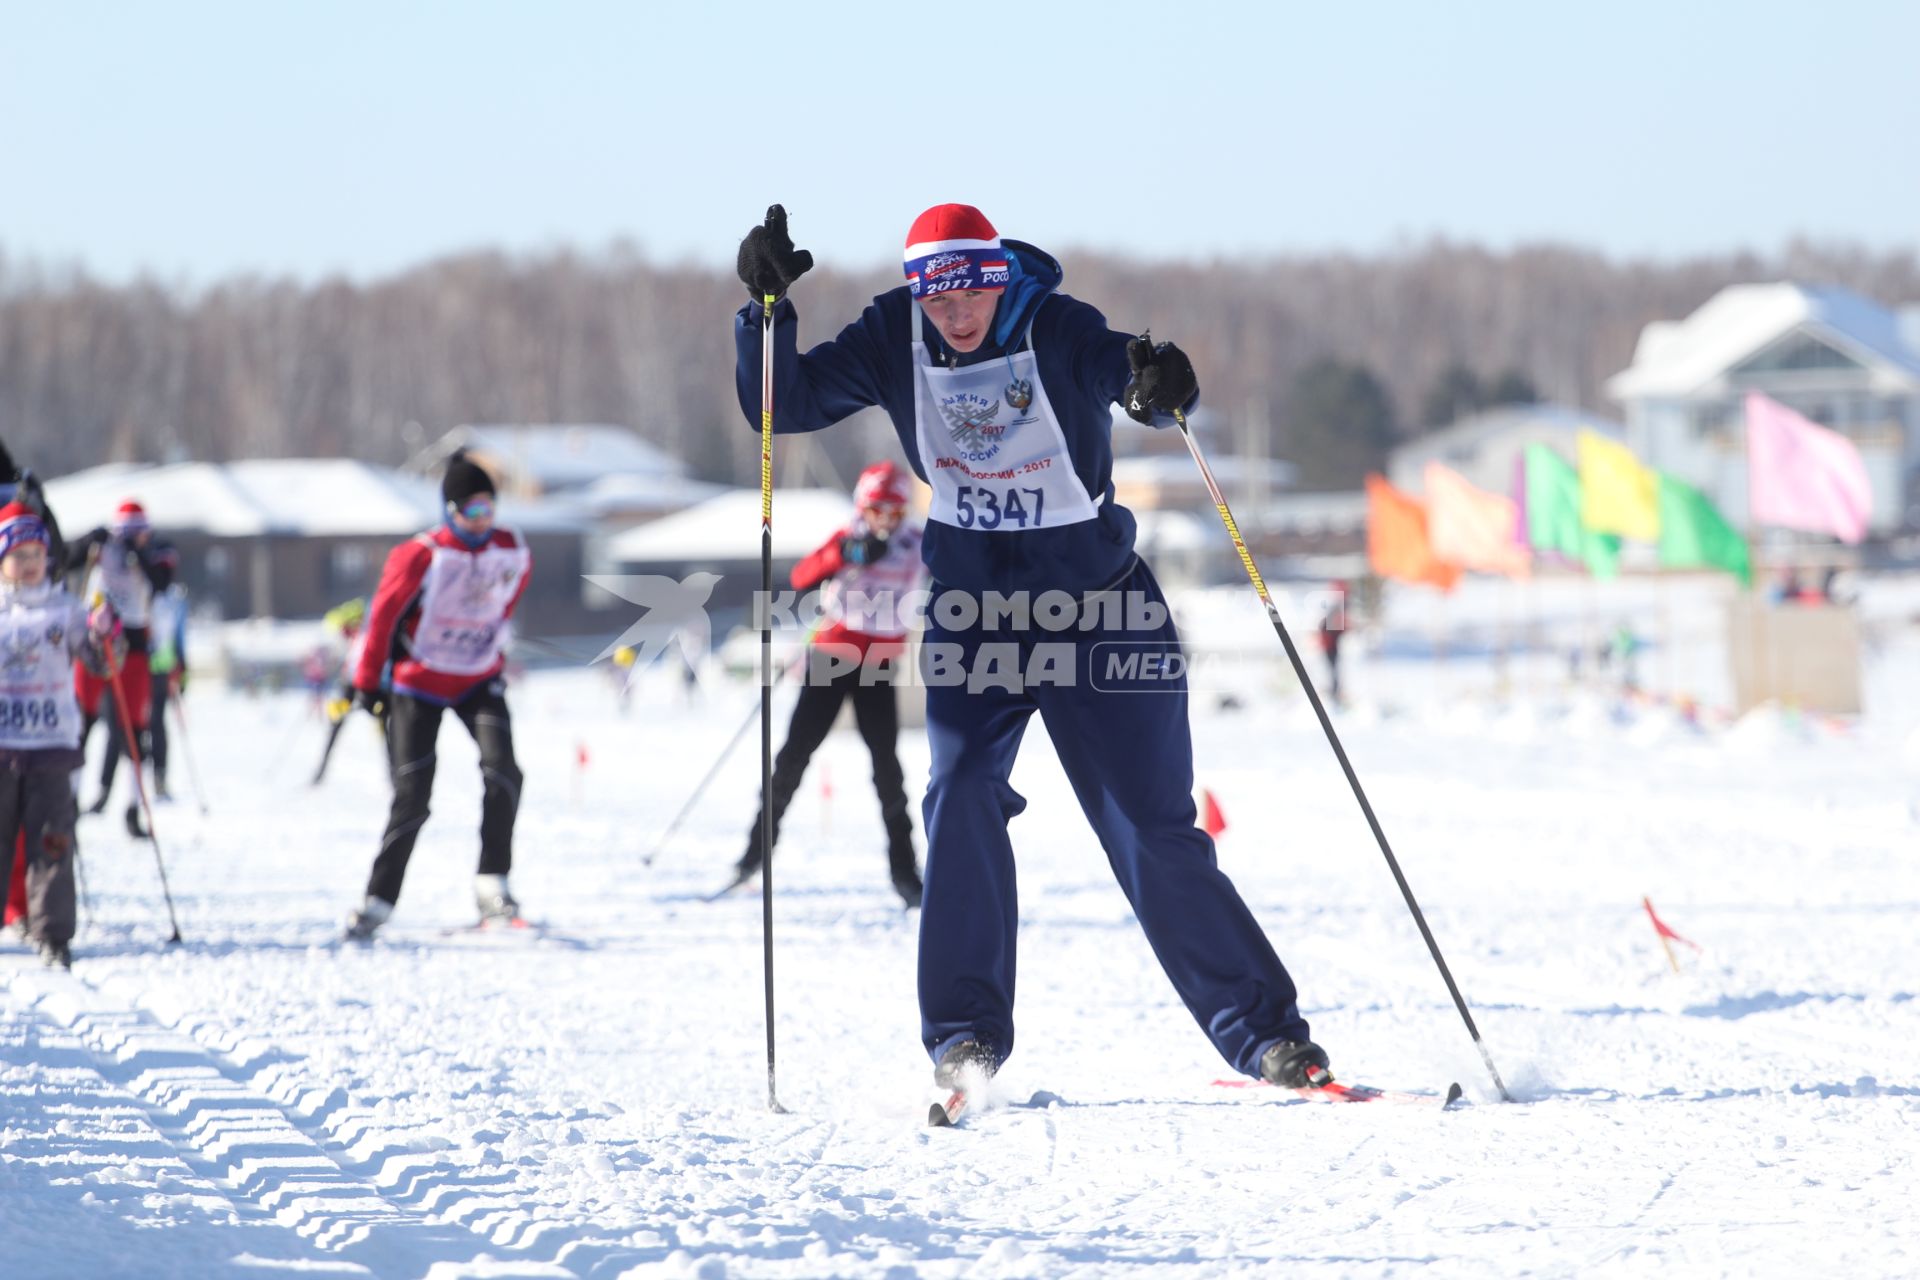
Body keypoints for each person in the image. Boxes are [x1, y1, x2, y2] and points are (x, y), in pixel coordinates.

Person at [731, 203, 1329, 1092]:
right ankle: (965, 1037)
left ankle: (1265, 1035)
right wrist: (766, 317)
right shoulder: (894, 333)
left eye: (968, 292)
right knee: (960, 790)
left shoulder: (1054, 323)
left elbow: (1126, 378)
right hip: (977, 618)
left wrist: (1159, 386)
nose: (955, 315)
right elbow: (783, 406)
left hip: (1098, 612)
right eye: (935, 301)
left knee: (1148, 825)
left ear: (996, 274)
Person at [343, 451, 531, 940]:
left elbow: (510, 597)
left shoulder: (512, 549)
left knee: (504, 772)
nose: (483, 521)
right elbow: (382, 616)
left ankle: (493, 882)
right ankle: (378, 901)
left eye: (489, 509)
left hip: (476, 678)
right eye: (472, 512)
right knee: (414, 795)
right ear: (450, 511)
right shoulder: (422, 554)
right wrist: (367, 680)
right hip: (418, 682)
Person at [725, 460, 928, 908]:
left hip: (879, 660)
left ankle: (905, 872)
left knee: (886, 768)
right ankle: (754, 853)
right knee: (793, 757)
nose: (885, 521)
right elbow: (802, 577)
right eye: (878, 511)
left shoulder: (916, 543)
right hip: (832, 655)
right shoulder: (848, 536)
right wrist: (848, 554)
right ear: (864, 507)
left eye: (894, 512)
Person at [0, 502, 123, 968]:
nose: (31, 563)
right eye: (20, 554)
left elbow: (98, 662)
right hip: (3, 748)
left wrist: (103, 634)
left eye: (37, 553)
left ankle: (51, 931)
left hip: (52, 748)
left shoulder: (65, 611)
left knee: (51, 843)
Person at [69, 500, 174, 837]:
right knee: (80, 722)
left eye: (136, 533)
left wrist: (137, 553)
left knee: (133, 729)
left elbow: (161, 582)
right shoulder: (103, 549)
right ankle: (69, 801)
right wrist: (88, 542)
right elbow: (64, 560)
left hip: (135, 644)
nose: (130, 539)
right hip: (96, 642)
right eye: (124, 533)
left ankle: (132, 808)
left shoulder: (157, 551)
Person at [0, 440, 69, 934]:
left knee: (41, 826)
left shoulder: (21, 484)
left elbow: (58, 553)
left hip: (43, 726)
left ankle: (35, 913)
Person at [1317, 582, 1346, 706]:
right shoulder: (1331, 617)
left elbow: (1338, 631)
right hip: (1328, 647)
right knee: (1331, 670)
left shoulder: (1334, 617)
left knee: (1333, 670)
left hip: (1332, 648)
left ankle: (1335, 691)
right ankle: (1332, 691)